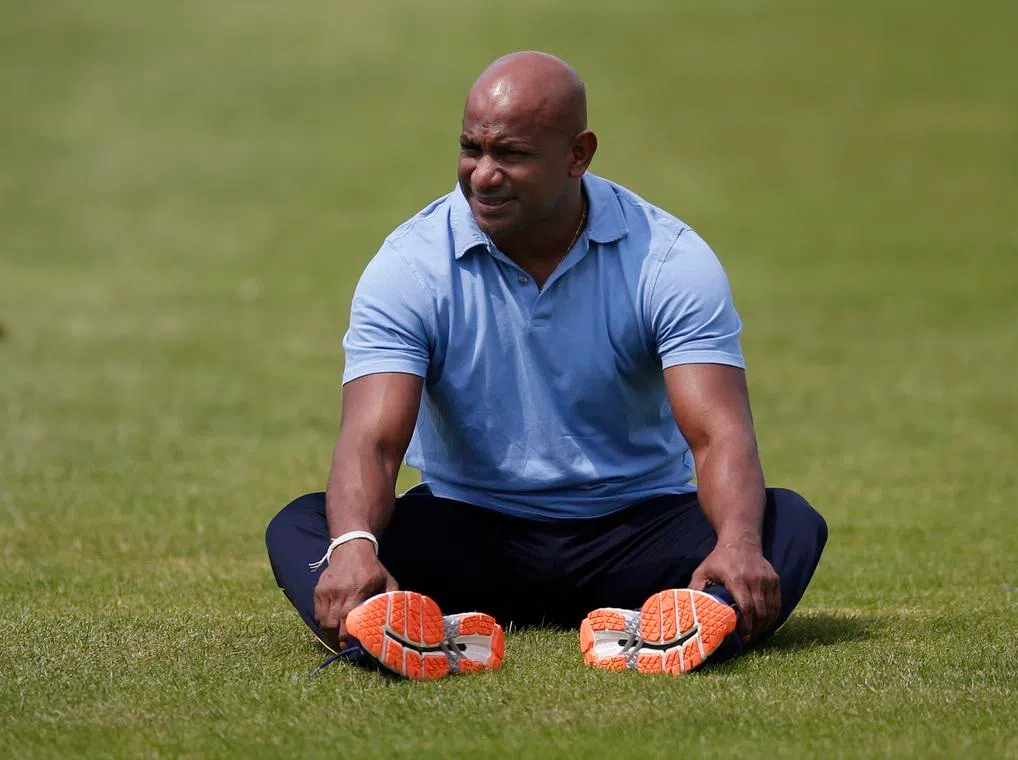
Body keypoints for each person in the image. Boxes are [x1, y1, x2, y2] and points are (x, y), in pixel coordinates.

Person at [266, 51, 828, 679]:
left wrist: (738, 544)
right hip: (472, 533)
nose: (483, 175)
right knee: (306, 528)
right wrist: (353, 549)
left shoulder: (668, 259)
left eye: (511, 155)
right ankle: (414, 634)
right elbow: (371, 442)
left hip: (635, 530)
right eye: (471, 149)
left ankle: (676, 626)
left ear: (578, 155)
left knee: (785, 523)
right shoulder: (410, 265)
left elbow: (719, 433)